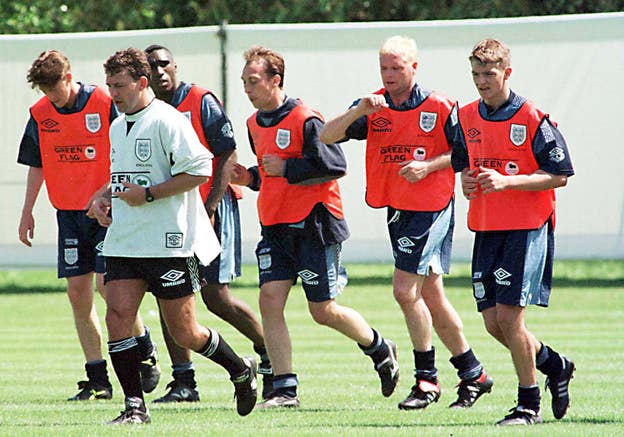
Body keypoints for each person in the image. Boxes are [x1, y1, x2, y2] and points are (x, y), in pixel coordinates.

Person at [320, 36, 493, 411]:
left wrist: (428, 166)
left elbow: (463, 153)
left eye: (396, 67)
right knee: (431, 295)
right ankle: (473, 372)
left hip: (430, 207)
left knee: (404, 290)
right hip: (398, 208)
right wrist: (357, 112)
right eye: (384, 67)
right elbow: (325, 135)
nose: (389, 74)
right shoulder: (374, 105)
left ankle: (426, 380)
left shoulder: (440, 105)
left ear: (415, 67)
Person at [91, 47, 257, 424]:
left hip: (169, 240)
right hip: (126, 238)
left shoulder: (168, 120)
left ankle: (240, 370)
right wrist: (104, 200)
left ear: (142, 82)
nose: (112, 93)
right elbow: (125, 177)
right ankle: (135, 406)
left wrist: (148, 195)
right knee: (117, 315)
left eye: (119, 85)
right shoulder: (118, 125)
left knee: (185, 333)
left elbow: (200, 171)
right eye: (109, 85)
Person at [232, 45, 399, 409]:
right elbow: (271, 174)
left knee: (322, 310)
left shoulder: (306, 118)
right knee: (269, 300)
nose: (247, 88)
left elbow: (334, 165)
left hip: (314, 225)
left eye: (254, 81)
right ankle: (284, 388)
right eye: (244, 82)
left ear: (276, 80)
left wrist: (285, 170)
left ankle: (379, 346)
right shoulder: (252, 124)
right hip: (275, 227)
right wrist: (250, 177)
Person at [17, 50, 159, 401]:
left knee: (107, 288)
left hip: (108, 210)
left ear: (68, 77)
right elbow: (36, 164)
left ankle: (143, 348)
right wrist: (27, 211)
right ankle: (98, 379)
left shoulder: (103, 101)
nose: (52, 98)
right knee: (77, 294)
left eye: (56, 89)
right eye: (45, 92)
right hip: (68, 213)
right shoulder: (40, 114)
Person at [451, 38, 575, 425]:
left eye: (489, 73)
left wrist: (509, 182)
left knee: (510, 319)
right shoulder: (467, 115)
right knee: (492, 322)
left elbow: (559, 175)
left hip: (526, 229)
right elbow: (464, 167)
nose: (481, 81)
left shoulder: (532, 117)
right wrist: (467, 184)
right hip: (487, 227)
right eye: (475, 74)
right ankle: (555, 365)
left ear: (507, 72)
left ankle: (528, 404)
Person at [143, 44, 273, 402]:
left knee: (217, 297)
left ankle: (269, 356)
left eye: (164, 63)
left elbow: (228, 153)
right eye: (152, 66)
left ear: (175, 64)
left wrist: (212, 205)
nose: (159, 71)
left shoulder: (201, 100)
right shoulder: (146, 110)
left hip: (211, 208)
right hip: (171, 213)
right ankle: (184, 382)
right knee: (169, 294)